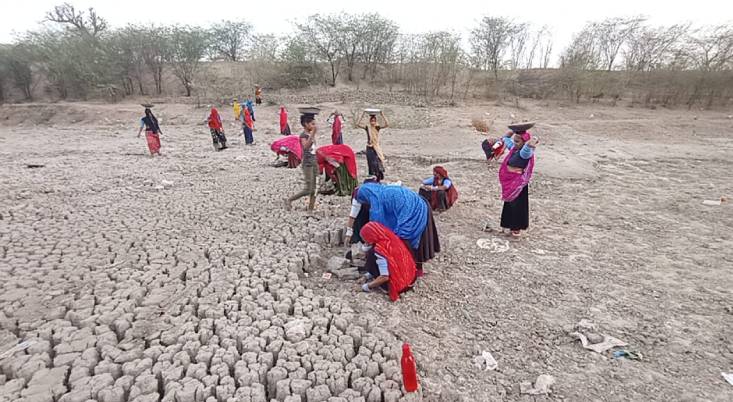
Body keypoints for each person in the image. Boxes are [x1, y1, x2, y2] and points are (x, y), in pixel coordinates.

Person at [347, 183, 439, 276]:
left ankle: (405, 272)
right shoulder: (380, 190)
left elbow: (377, 229)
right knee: (406, 239)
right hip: (418, 203)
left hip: (411, 212)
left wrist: (367, 248)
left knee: (402, 241)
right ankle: (414, 270)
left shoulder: (376, 203)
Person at [359, 222, 417, 301]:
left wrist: (367, 286)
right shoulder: (391, 237)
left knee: (371, 254)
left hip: (399, 285)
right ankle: (372, 274)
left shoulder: (380, 250)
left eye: (366, 240)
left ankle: (385, 286)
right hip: (411, 277)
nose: (365, 243)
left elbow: (384, 277)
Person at [498, 129, 539, 237]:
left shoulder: (525, 153)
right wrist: (510, 132)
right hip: (511, 183)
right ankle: (506, 225)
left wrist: (533, 140)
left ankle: (516, 228)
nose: (514, 143)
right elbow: (506, 140)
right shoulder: (514, 149)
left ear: (524, 143)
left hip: (518, 185)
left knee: (518, 206)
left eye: (517, 141)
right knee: (509, 205)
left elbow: (528, 146)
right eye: (514, 140)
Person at [285, 111, 319, 211]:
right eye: (312, 124)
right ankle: (290, 200)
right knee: (308, 188)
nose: (314, 126)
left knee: (315, 187)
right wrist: (312, 135)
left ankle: (310, 209)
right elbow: (305, 147)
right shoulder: (303, 135)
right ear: (305, 124)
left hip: (314, 162)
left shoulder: (309, 134)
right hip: (308, 163)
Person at [356, 110, 389, 181]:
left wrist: (382, 114)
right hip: (369, 147)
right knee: (370, 162)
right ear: (370, 121)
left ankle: (378, 176)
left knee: (376, 162)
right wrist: (363, 114)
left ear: (375, 121)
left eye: (374, 121)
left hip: (375, 147)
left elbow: (387, 124)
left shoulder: (377, 127)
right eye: (371, 121)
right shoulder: (368, 127)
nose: (372, 122)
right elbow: (358, 124)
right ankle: (371, 176)